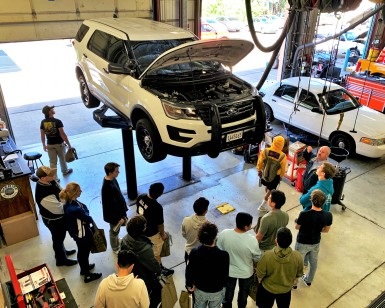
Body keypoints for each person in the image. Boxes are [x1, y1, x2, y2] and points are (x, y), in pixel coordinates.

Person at [34, 166, 77, 267]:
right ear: (43, 178)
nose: (53, 175)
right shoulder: (43, 194)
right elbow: (58, 209)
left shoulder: (50, 181)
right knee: (57, 239)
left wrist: (66, 196)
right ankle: (61, 260)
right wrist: (69, 204)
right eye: (50, 175)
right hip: (54, 220)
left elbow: (61, 191)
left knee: (59, 238)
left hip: (58, 217)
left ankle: (62, 252)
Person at [217, 212, 261, 308]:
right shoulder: (252, 240)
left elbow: (218, 249)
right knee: (243, 293)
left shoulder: (224, 234)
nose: (251, 226)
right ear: (246, 227)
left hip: (229, 272)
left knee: (228, 292)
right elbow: (257, 257)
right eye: (250, 224)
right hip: (246, 273)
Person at [60, 182, 102, 283]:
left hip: (77, 233)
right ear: (74, 193)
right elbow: (89, 218)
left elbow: (85, 208)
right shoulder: (75, 209)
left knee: (82, 252)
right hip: (82, 235)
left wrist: (84, 214)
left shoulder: (69, 203)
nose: (81, 191)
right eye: (79, 190)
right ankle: (87, 275)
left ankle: (84, 268)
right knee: (84, 253)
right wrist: (85, 216)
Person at [256, 227, 303, 308]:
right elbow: (299, 274)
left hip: (268, 289)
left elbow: (260, 275)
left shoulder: (267, 255)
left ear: (276, 240)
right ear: (291, 241)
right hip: (285, 291)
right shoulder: (297, 256)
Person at [120, 215, 162, 308]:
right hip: (145, 278)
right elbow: (154, 266)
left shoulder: (125, 240)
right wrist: (159, 267)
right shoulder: (146, 248)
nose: (146, 227)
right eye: (145, 226)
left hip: (132, 274)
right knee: (157, 293)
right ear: (141, 230)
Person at [186, 221, 229, 308]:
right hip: (217, 290)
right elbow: (225, 274)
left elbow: (190, 270)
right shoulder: (224, 255)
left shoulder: (194, 252)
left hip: (200, 289)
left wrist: (189, 284)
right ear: (215, 237)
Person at [295, 189, 333, 287]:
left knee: (298, 263)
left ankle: (294, 283)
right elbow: (326, 230)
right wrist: (316, 229)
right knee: (314, 262)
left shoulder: (304, 214)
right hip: (315, 242)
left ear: (311, 200)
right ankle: (309, 280)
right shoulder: (328, 215)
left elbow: (297, 227)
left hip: (302, 242)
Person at [136, 182, 173, 274]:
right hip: (152, 233)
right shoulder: (157, 207)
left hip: (141, 230)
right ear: (160, 194)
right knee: (156, 253)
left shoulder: (141, 197)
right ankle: (159, 269)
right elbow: (160, 225)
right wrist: (163, 235)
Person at [101, 162, 128, 254]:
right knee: (114, 231)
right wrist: (118, 218)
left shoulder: (112, 179)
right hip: (114, 216)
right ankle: (115, 247)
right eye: (116, 171)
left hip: (118, 212)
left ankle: (116, 241)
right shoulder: (107, 187)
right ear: (110, 173)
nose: (118, 172)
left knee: (116, 230)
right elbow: (111, 206)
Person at [40, 105, 73, 178]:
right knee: (62, 159)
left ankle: (55, 178)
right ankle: (65, 171)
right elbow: (63, 134)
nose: (53, 109)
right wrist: (69, 144)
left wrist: (43, 145)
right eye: (52, 109)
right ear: (49, 112)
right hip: (59, 144)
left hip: (50, 145)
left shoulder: (43, 122)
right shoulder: (57, 121)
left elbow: (42, 135)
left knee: (52, 162)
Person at [256, 136, 287, 212]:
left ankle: (267, 197)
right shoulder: (282, 156)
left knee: (268, 188)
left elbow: (260, 162)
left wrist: (259, 170)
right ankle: (262, 205)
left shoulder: (265, 151)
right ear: (282, 144)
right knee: (271, 191)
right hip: (275, 177)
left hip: (265, 173)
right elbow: (283, 169)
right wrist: (281, 176)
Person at [181, 197, 209, 264]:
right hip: (201, 255)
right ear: (206, 210)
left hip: (188, 251)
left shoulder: (186, 220)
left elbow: (184, 234)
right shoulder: (208, 225)